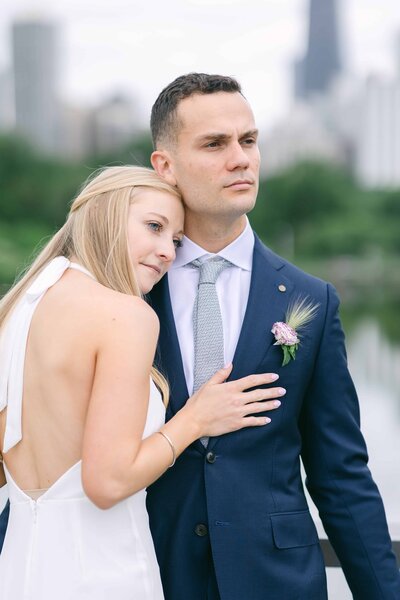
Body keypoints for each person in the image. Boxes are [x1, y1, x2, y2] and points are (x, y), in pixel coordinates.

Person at [146, 73, 400, 600]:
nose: (240, 158)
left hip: (276, 581)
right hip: (149, 570)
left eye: (249, 140)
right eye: (215, 144)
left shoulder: (312, 299)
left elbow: (340, 473)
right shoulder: (125, 291)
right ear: (164, 165)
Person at [0, 165, 283, 600]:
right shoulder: (126, 315)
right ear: (105, 215)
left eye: (174, 240)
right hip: (102, 571)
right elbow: (107, 483)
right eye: (154, 227)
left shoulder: (21, 306)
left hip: (20, 569)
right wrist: (194, 420)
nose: (168, 252)